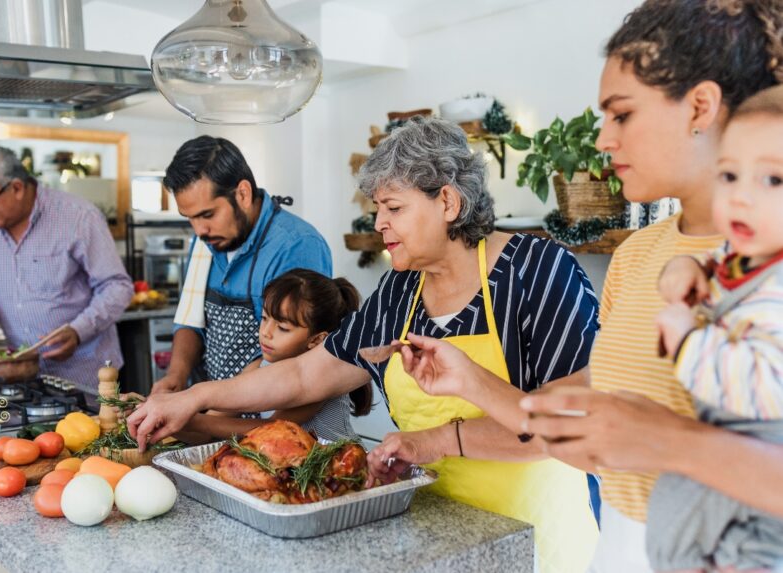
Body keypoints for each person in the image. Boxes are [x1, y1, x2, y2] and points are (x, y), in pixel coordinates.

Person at [129, 117, 601, 573]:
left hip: (532, 538)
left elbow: (566, 427)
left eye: (394, 208)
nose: (380, 223)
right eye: (378, 209)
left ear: (449, 203)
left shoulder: (539, 273)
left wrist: (435, 440)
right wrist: (197, 395)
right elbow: (304, 374)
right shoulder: (401, 291)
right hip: (433, 525)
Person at [516, 2, 783, 571]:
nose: (604, 139)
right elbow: (619, 382)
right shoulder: (639, 254)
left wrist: (668, 440)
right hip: (619, 546)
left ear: (700, 107)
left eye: (621, 114)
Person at [647, 86, 783, 572]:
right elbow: (713, 268)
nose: (742, 195)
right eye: (729, 174)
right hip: (720, 452)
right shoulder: (743, 256)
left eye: (773, 179)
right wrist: (683, 270)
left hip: (759, 483)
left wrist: (688, 341)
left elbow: (767, 385)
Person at [150, 135, 331, 394]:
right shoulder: (204, 241)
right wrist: (176, 377)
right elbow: (191, 319)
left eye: (208, 214)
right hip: (212, 408)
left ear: (243, 194)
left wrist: (208, 409)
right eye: (189, 218)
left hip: (270, 412)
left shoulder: (296, 245)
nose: (199, 230)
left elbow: (296, 358)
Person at [0, 144, 132, 395]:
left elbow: (117, 286)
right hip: (22, 378)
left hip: (86, 378)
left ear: (16, 187)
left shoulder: (79, 217)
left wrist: (77, 331)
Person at [174, 268, 372, 443]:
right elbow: (205, 430)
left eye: (283, 328)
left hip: (339, 471)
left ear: (317, 340)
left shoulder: (321, 378)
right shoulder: (257, 367)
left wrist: (195, 420)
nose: (265, 332)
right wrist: (170, 421)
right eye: (264, 318)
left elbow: (273, 430)